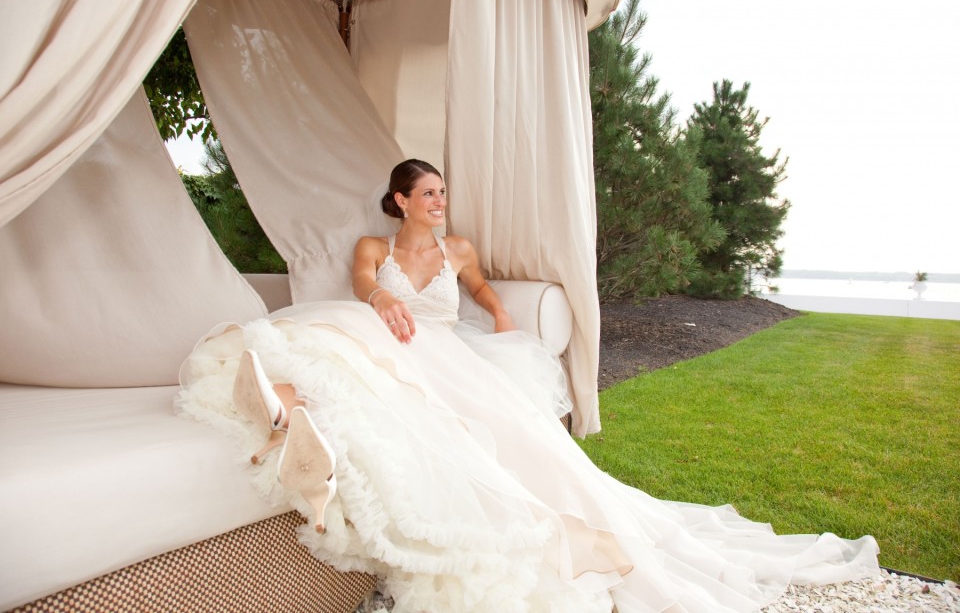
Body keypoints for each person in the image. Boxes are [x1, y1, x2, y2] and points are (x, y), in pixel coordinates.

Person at [177, 159, 879, 613]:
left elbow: (484, 294)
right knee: (329, 337)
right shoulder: (375, 250)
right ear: (400, 200)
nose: (441, 202)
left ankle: (298, 421)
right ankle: (283, 409)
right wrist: (385, 300)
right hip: (386, 335)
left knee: (451, 425)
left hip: (444, 351)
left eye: (443, 193)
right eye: (429, 193)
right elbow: (364, 288)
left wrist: (508, 336)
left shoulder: (459, 249)